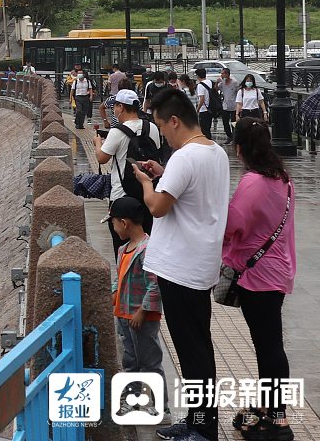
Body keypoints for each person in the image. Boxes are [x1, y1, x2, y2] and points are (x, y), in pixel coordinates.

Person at [133, 88, 230, 441]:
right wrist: (163, 172)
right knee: (197, 349)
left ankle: (203, 430)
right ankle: (196, 422)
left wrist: (146, 182)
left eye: (162, 127)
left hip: (181, 269)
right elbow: (189, 194)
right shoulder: (214, 152)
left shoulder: (186, 157)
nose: (164, 136)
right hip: (198, 265)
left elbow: (158, 207)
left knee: (194, 355)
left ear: (174, 121)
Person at [222, 118, 296, 441]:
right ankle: (268, 408)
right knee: (270, 345)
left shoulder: (252, 183)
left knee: (269, 348)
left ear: (240, 149)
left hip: (258, 277)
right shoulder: (283, 179)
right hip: (277, 270)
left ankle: (278, 421)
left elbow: (231, 225)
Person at [109, 196, 166, 418]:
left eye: (113, 223)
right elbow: (119, 276)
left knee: (150, 362)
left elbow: (155, 284)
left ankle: (160, 406)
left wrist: (143, 311)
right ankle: (133, 402)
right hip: (123, 314)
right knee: (130, 361)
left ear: (124, 223)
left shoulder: (148, 249)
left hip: (142, 318)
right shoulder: (124, 249)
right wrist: (114, 295)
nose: (113, 228)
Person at [95, 89, 162, 250]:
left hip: (121, 195)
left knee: (122, 247)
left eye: (115, 107)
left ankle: (124, 274)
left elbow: (102, 158)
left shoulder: (117, 131)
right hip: (148, 194)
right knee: (145, 244)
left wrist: (97, 142)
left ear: (121, 107)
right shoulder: (151, 127)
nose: (114, 110)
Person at [218, 68, 240, 144]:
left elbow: (238, 92)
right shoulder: (222, 82)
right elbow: (216, 88)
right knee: (225, 122)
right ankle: (229, 136)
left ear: (227, 74)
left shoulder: (234, 82)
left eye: (223, 73)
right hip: (225, 105)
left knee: (233, 123)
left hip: (234, 106)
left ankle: (234, 137)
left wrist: (239, 104)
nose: (222, 75)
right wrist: (216, 82)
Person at [195, 68, 215, 139]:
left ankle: (208, 143)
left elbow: (202, 99)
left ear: (198, 76)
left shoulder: (200, 85)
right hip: (211, 108)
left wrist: (197, 109)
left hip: (204, 110)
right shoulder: (210, 82)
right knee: (208, 128)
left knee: (204, 130)